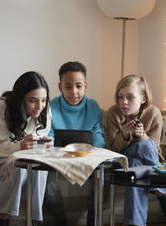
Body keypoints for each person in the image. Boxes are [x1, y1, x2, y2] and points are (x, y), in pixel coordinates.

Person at [0, 71, 53, 226]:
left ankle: (34, 220)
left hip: (17, 156)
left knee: (40, 166)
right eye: (33, 100)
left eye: (44, 100)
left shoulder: (44, 109)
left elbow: (37, 142)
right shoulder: (3, 106)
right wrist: (21, 146)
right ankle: (2, 219)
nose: (40, 106)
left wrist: (43, 145)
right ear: (21, 99)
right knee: (17, 167)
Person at [47, 61, 105, 226]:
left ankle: (93, 221)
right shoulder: (51, 106)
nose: (74, 92)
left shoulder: (93, 106)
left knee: (100, 176)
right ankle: (60, 221)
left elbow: (99, 136)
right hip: (58, 158)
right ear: (60, 87)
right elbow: (49, 135)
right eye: (68, 86)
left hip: (88, 157)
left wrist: (95, 150)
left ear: (85, 86)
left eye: (78, 86)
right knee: (45, 176)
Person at [107, 74, 166, 226]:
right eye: (120, 97)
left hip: (137, 163)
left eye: (130, 97)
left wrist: (142, 136)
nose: (124, 102)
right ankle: (160, 188)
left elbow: (155, 149)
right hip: (120, 160)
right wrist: (125, 135)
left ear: (143, 98)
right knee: (140, 151)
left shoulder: (153, 113)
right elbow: (114, 151)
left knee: (136, 162)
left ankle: (133, 223)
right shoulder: (114, 112)